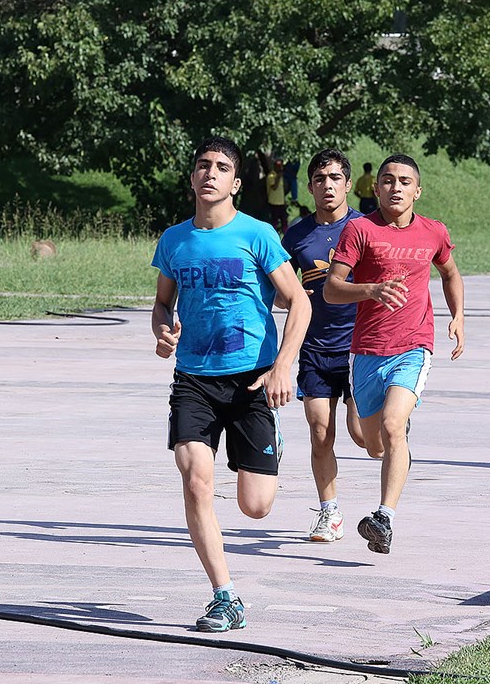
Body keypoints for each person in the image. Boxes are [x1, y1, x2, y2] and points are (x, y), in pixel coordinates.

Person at [150, 136, 311, 632]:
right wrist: (162, 330)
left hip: (251, 381)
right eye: (203, 165)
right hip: (194, 380)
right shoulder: (174, 240)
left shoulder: (257, 234)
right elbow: (163, 303)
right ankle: (225, 596)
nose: (210, 173)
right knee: (196, 478)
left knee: (255, 506)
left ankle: (268, 440)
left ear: (236, 183)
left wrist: (282, 367)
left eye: (221, 167)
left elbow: (299, 302)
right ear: (192, 176)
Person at [323, 154, 465, 554]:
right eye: (388, 180)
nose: (396, 187)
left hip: (413, 346)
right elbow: (331, 289)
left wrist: (458, 316)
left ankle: (384, 518)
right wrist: (370, 289)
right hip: (367, 350)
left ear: (417, 190)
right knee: (373, 444)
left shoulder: (433, 231)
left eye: (404, 181)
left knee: (391, 425)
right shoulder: (360, 229)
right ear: (376, 188)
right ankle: (397, 439)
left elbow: (450, 272)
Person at [278, 148, 368, 542]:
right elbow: (279, 291)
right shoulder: (296, 235)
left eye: (334, 178)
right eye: (319, 179)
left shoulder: (366, 227)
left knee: (364, 437)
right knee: (320, 432)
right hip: (315, 348)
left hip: (362, 346)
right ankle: (330, 513)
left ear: (347, 185)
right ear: (310, 187)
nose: (327, 185)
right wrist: (293, 296)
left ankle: (394, 431)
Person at [266, 158, 288, 235]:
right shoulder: (271, 176)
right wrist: (278, 177)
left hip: (281, 202)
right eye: (279, 166)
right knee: (274, 222)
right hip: (273, 202)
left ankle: (286, 236)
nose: (280, 168)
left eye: (281, 166)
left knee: (284, 221)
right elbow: (274, 187)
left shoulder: (281, 176)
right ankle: (273, 235)